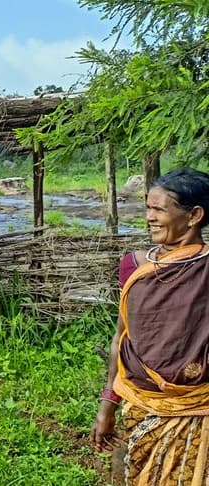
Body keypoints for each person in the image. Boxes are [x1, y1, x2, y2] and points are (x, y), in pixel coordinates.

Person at [91, 167, 209, 484]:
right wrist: (107, 405)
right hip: (140, 404)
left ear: (194, 215)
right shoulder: (133, 265)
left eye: (159, 209)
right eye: (148, 208)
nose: (149, 217)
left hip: (199, 408)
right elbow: (122, 336)